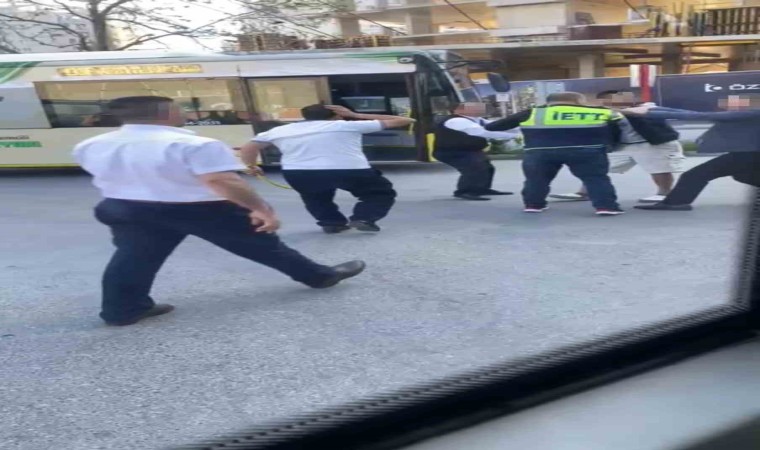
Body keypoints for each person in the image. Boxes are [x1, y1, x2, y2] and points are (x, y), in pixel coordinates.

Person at [74, 96, 366, 326]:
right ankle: (321, 277)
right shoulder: (194, 143)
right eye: (179, 108)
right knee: (265, 247)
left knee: (134, 257)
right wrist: (261, 209)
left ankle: (122, 310)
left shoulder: (92, 144)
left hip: (124, 207)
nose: (183, 112)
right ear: (167, 113)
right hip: (198, 208)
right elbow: (222, 181)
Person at [239, 104, 414, 234]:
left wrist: (251, 166)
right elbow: (406, 120)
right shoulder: (347, 125)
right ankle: (364, 218)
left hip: (299, 172)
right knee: (379, 193)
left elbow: (249, 147)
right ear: (336, 116)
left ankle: (332, 223)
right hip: (349, 169)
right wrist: (355, 115)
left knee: (315, 198)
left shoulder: (281, 130)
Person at [485, 91, 624, 216]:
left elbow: (492, 127)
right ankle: (606, 207)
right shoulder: (602, 112)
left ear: (548, 102)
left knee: (536, 180)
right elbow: (619, 130)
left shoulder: (533, 112)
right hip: (587, 151)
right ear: (580, 101)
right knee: (596, 179)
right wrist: (611, 145)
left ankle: (533, 205)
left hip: (539, 152)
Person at [626, 94, 760, 211]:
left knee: (694, 175)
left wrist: (648, 112)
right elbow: (694, 113)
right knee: (742, 176)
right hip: (747, 154)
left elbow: (699, 116)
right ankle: (677, 202)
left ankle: (676, 203)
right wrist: (653, 109)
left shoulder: (752, 113)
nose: (725, 105)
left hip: (748, 154)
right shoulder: (751, 113)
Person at [550, 90, 685, 203]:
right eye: (605, 100)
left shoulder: (646, 107)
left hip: (653, 143)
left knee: (659, 168)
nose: (608, 102)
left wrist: (623, 111)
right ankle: (585, 192)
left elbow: (648, 114)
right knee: (596, 167)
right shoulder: (603, 112)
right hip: (622, 146)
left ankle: (664, 193)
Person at [432, 102, 521, 201]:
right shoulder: (456, 121)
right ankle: (464, 191)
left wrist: (522, 129)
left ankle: (482, 189)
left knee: (487, 168)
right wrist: (515, 136)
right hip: (451, 151)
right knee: (473, 168)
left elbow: (497, 126)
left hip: (468, 150)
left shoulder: (478, 120)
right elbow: (482, 132)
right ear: (458, 111)